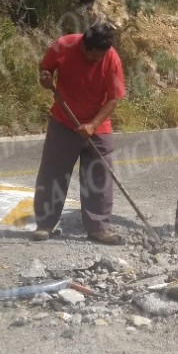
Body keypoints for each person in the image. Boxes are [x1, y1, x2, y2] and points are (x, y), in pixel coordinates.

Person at [32, 22, 126, 244]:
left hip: (98, 125)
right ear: (83, 44)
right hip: (64, 122)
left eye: (99, 58)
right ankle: (45, 224)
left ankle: (98, 228)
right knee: (53, 173)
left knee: (99, 177)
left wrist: (93, 125)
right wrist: (45, 78)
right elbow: (45, 69)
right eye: (92, 56)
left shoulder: (111, 59)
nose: (95, 61)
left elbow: (113, 98)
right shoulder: (63, 46)